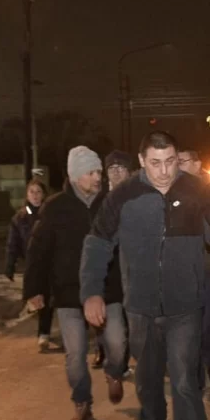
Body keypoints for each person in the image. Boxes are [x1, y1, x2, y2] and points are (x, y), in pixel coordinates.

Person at [80, 131, 210, 420]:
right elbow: (97, 243)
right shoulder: (124, 196)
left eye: (170, 161)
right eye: (155, 163)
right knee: (148, 376)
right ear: (142, 162)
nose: (165, 171)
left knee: (185, 381)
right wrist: (91, 291)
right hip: (140, 306)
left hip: (186, 304)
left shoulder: (198, 191)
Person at [24, 146, 128, 420]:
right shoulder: (55, 207)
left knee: (117, 343)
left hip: (108, 289)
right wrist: (34, 289)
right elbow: (38, 252)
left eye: (99, 171)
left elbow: (126, 245)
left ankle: (114, 372)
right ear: (76, 176)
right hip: (69, 294)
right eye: (92, 172)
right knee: (75, 354)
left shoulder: (110, 202)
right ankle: (82, 402)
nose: (98, 177)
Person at [178, 147, 210, 385]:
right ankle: (194, 366)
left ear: (197, 165)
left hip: (206, 267)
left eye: (183, 161)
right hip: (179, 269)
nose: (178, 166)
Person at [92, 150, 135, 375]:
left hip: (136, 271)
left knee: (135, 324)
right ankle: (116, 362)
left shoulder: (140, 197)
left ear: (130, 171)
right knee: (113, 323)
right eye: (112, 168)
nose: (116, 172)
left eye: (121, 167)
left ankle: (126, 360)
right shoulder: (98, 201)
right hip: (109, 273)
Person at [4, 178, 52, 352]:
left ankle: (44, 333)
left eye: (39, 192)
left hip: (50, 262)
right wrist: (10, 264)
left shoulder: (50, 214)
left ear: (44, 194)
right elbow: (13, 243)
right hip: (32, 266)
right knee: (37, 297)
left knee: (49, 297)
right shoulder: (20, 218)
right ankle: (43, 332)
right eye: (32, 192)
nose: (35, 196)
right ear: (27, 195)